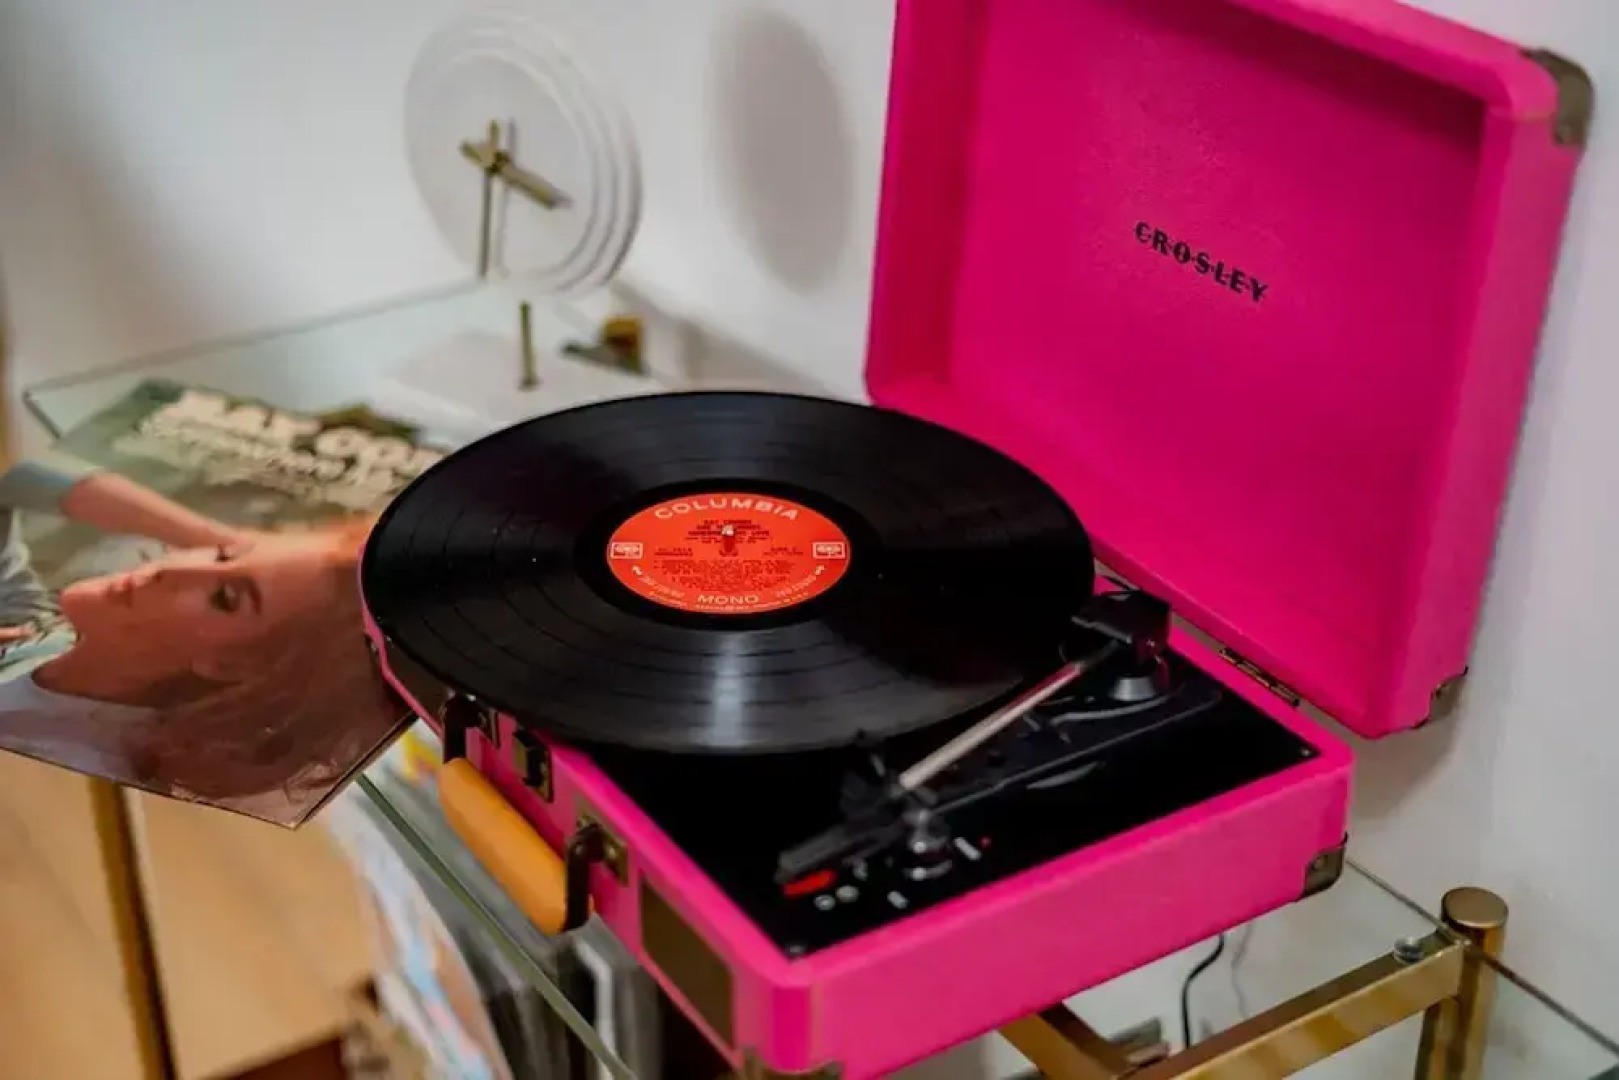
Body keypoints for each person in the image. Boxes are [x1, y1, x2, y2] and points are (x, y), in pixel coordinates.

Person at [0, 449, 404, 825]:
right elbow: (20, 475)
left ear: (234, 664)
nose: (171, 570)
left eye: (224, 598)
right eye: (220, 554)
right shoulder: (50, 646)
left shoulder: (67, 759)